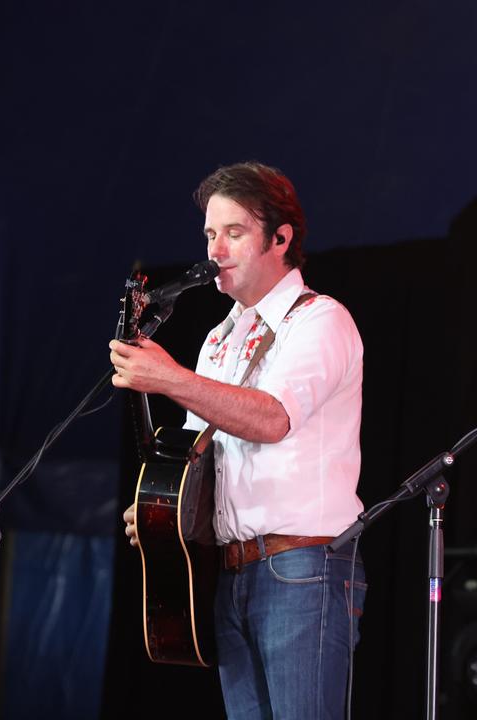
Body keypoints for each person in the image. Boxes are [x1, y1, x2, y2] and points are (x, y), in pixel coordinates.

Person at [112, 161, 366, 720]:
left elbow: (272, 419)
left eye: (234, 232)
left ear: (281, 238)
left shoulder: (320, 321)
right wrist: (162, 509)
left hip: (303, 568)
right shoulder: (219, 338)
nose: (215, 248)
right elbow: (201, 458)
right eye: (208, 234)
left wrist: (170, 379)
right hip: (232, 571)